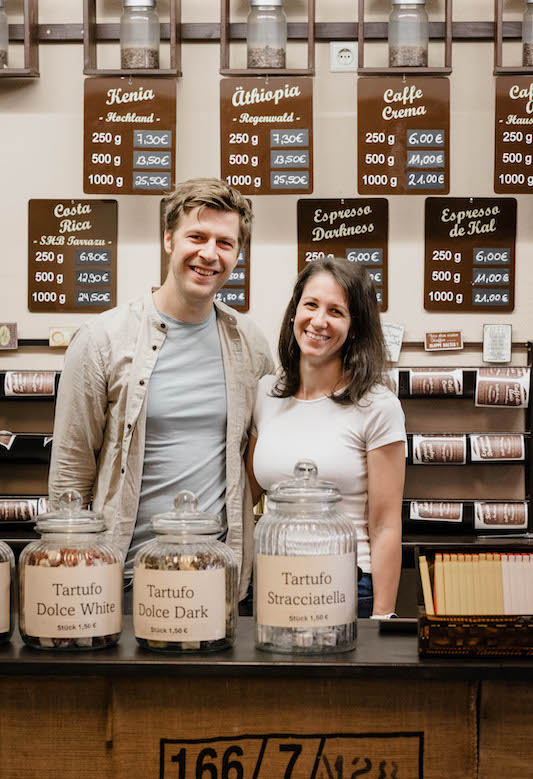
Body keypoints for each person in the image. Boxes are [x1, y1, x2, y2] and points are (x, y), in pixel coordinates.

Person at [49, 177, 273, 601]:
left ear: (238, 254)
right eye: (197, 236)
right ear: (169, 239)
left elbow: (259, 449)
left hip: (219, 577)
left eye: (225, 243)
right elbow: (70, 472)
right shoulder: (101, 340)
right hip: (124, 578)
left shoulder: (250, 343)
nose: (210, 254)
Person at [246, 257, 406, 618]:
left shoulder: (378, 405)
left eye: (336, 311)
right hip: (272, 582)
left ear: (354, 327)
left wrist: (382, 616)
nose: (319, 321)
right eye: (311, 305)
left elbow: (384, 526)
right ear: (294, 313)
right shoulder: (265, 394)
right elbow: (246, 493)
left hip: (346, 583)